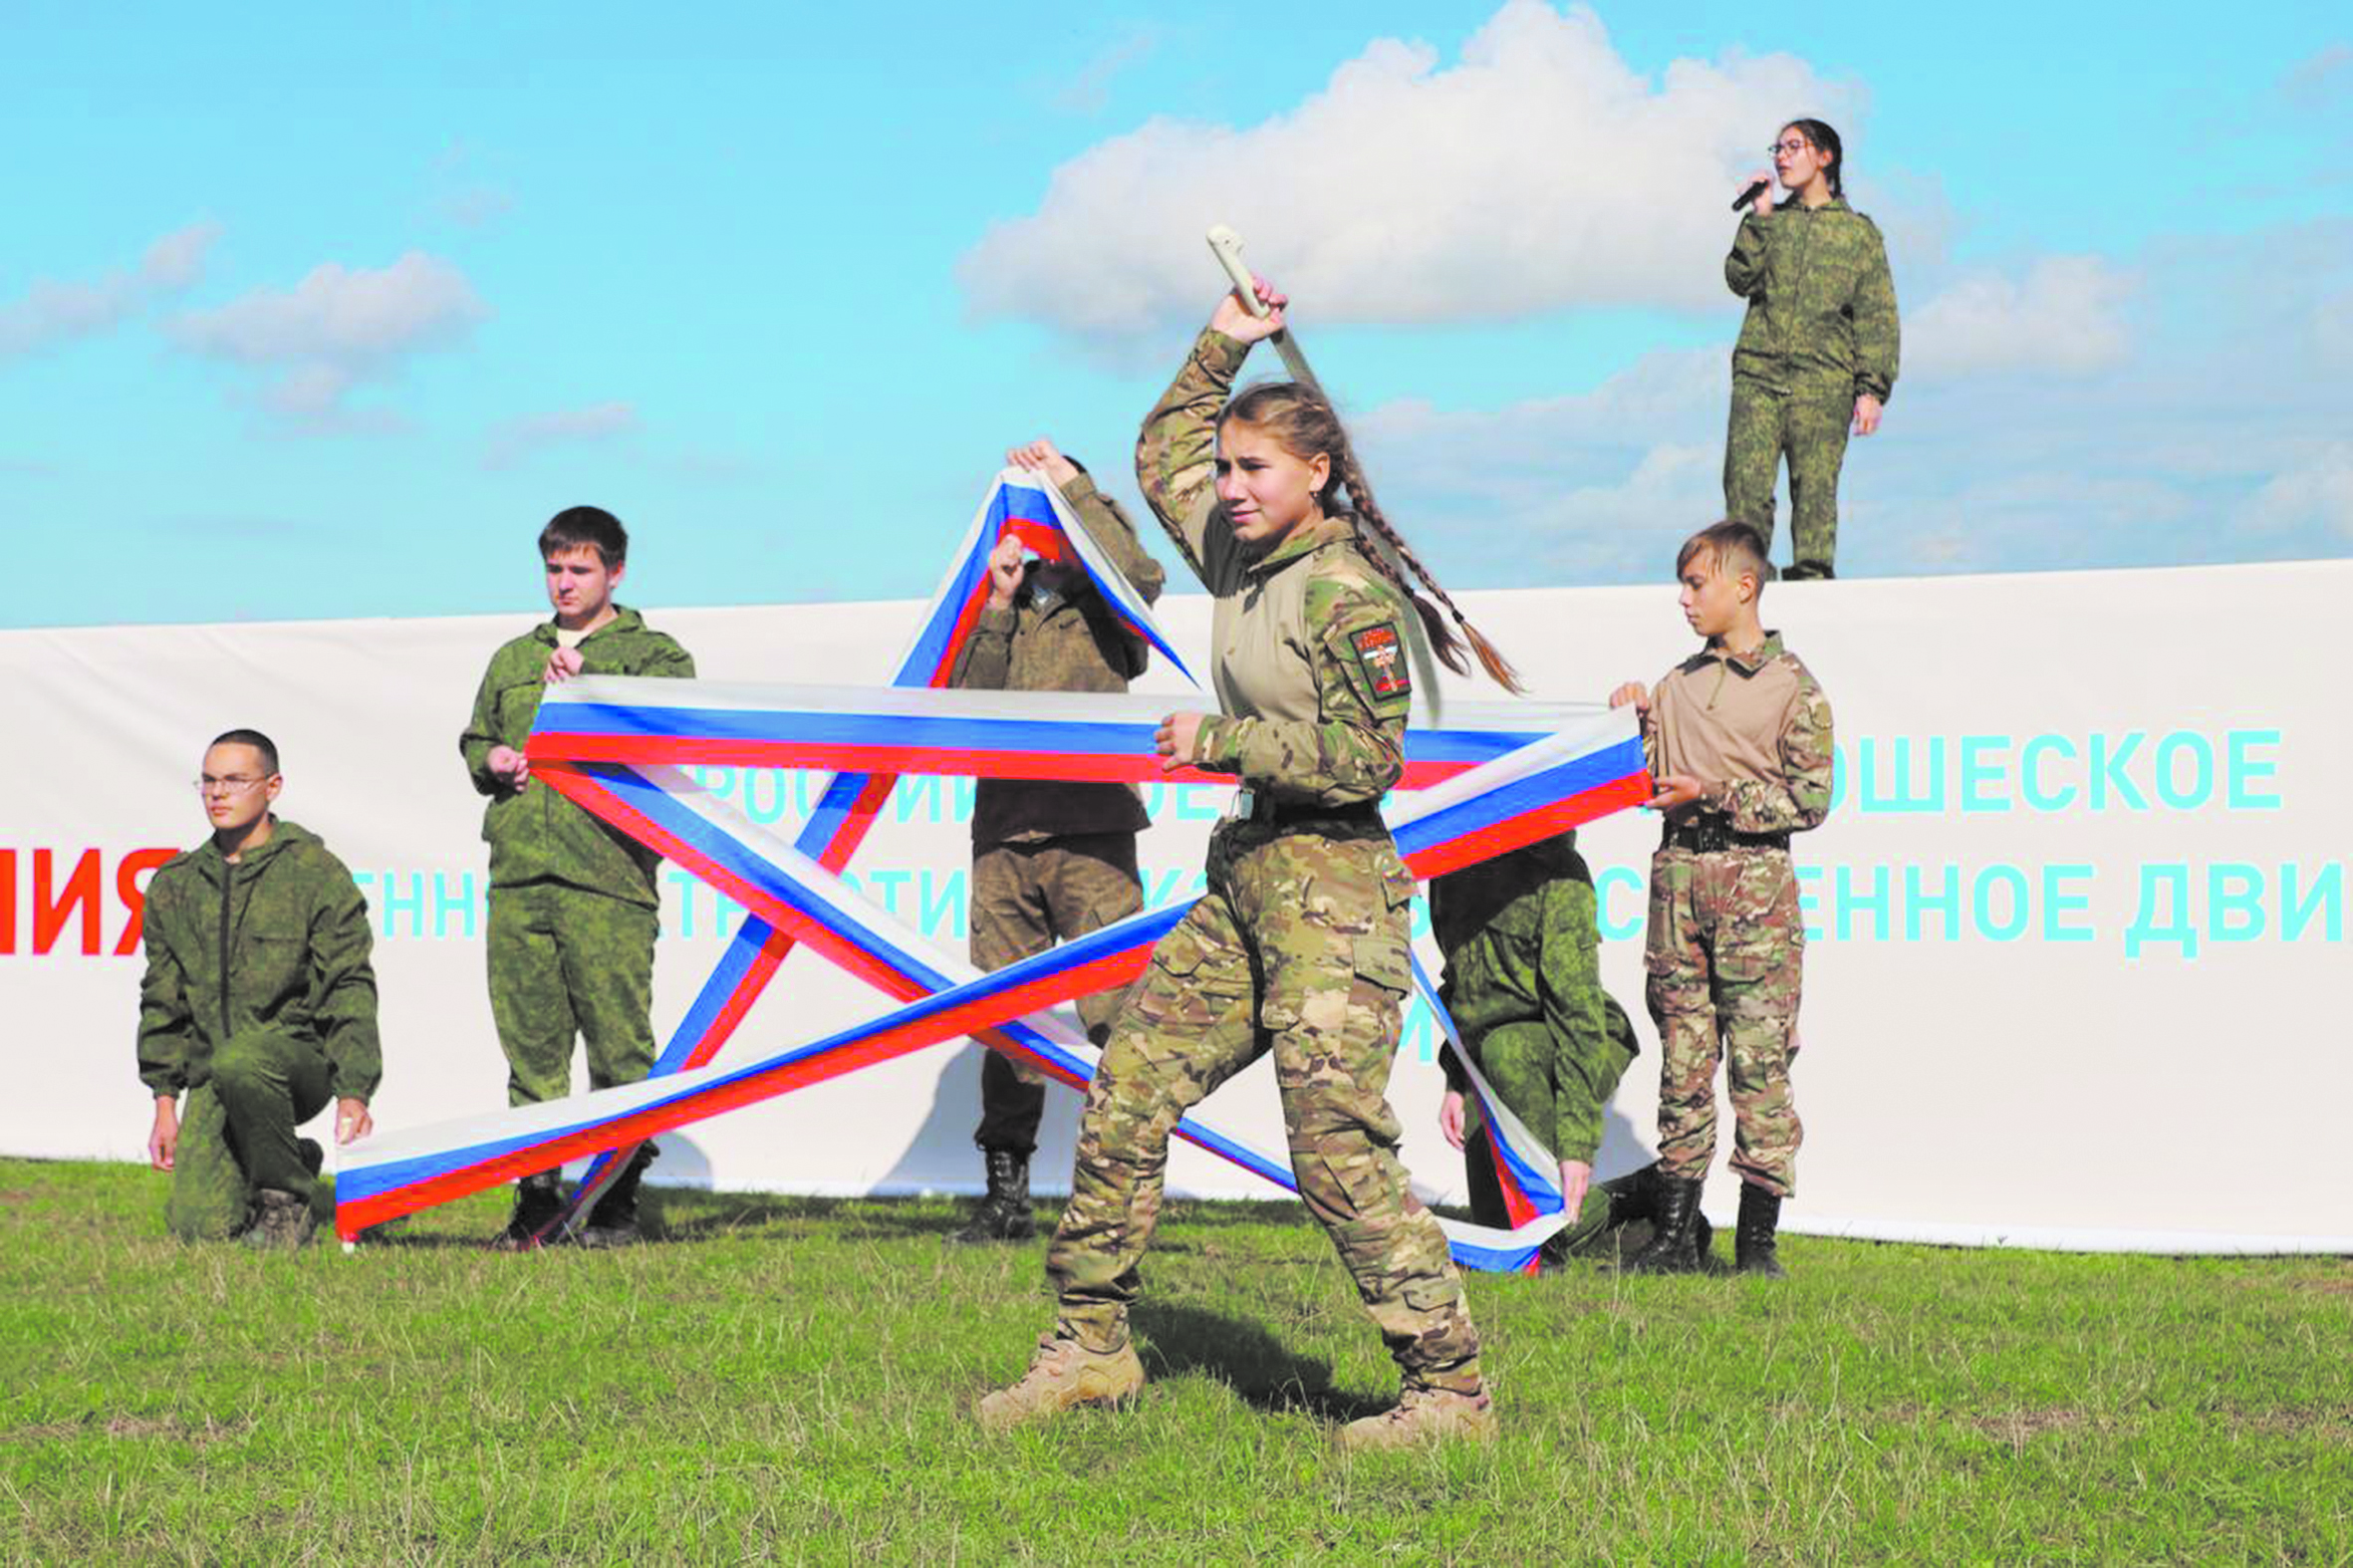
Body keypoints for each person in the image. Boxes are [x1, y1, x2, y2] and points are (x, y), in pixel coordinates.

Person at [980, 276, 1521, 1450]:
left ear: (1314, 475)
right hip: (1248, 876)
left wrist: (1220, 740)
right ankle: (1091, 1347)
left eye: (1253, 469)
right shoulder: (1237, 556)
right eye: (1225, 469)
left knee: (1333, 1146)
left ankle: (1447, 1391)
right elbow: (1161, 449)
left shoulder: (1344, 593)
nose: (1227, 486)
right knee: (1127, 1089)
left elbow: (1367, 760)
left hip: (1335, 892)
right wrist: (1222, 340)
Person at [945, 438, 1165, 1243]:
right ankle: (1006, 1198)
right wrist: (999, 602)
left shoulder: (1107, 598)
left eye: (1050, 502)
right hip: (1005, 833)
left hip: (1091, 831)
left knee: (1118, 1014)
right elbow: (967, 704)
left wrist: (1078, 485)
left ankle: (1122, 1196)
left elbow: (1141, 576)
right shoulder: (1002, 593)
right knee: (1007, 1019)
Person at [458, 505, 694, 1249]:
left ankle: (618, 1194)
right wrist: (492, 759)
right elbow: (476, 736)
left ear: (615, 573)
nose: (564, 583)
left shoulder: (652, 654)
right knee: (531, 1047)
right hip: (522, 875)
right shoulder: (513, 658)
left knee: (620, 1046)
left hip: (607, 876)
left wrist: (595, 681)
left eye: (580, 569)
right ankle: (537, 1196)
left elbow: (679, 722)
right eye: (554, 569)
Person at [1609, 522, 1834, 1277]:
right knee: (1683, 1064)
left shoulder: (1793, 687)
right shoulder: (1674, 685)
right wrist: (1631, 721)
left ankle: (1757, 1245)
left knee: (1759, 1069)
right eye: (1682, 584)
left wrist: (1712, 792)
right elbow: (1642, 781)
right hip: (1678, 887)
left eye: (1696, 583)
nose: (1684, 598)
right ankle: (1674, 1236)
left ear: (1744, 586)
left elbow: (1810, 799)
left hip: (1753, 894)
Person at [137, 729, 379, 1248]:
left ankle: (286, 1199)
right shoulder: (175, 884)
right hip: (216, 1073)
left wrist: (353, 1090)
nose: (217, 793)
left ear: (272, 787)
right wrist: (165, 1102)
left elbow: (349, 984)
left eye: (234, 780)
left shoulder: (313, 873)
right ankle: (293, 1158)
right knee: (198, 1226)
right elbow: (162, 999)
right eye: (208, 781)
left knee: (243, 1060)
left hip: (298, 1065)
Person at [1429, 833, 1707, 1267]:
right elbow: (1460, 985)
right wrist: (1456, 1080)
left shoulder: (1556, 872)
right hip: (1495, 1057)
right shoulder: (1450, 872)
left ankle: (1613, 1204)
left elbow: (1578, 1018)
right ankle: (1629, 1205)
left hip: (1576, 1044)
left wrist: (1575, 1150)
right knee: (1499, 1233)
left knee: (1507, 1051)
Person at [1722, 117, 1900, 581]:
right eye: (1777, 149)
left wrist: (1872, 389)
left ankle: (1814, 584)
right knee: (1744, 488)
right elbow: (1739, 279)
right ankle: (1746, 583)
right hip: (1759, 376)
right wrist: (1760, 217)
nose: (1781, 157)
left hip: (1824, 381)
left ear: (1825, 157)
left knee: (1816, 492)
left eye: (1793, 146)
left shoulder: (1859, 234)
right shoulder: (1770, 223)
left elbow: (1877, 315)